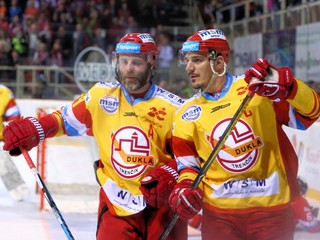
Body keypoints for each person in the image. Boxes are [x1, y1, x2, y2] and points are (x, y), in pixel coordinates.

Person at [1, 33, 187, 239]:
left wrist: (172, 173)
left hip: (161, 205)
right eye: (124, 62)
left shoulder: (174, 108)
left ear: (152, 62)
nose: (129, 69)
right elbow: (64, 120)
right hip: (116, 204)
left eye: (136, 62)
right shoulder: (101, 97)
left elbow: (190, 159)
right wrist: (35, 128)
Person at [168, 29, 320, 240]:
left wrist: (290, 87)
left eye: (197, 60)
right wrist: (184, 188)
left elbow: (310, 114)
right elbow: (188, 167)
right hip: (219, 218)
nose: (189, 68)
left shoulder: (258, 88)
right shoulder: (185, 113)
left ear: (219, 62)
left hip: (272, 213)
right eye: (187, 61)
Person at [0, 84, 29, 201]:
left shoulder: (3, 92)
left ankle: (20, 194)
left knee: (4, 167)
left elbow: (14, 118)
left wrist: (14, 136)